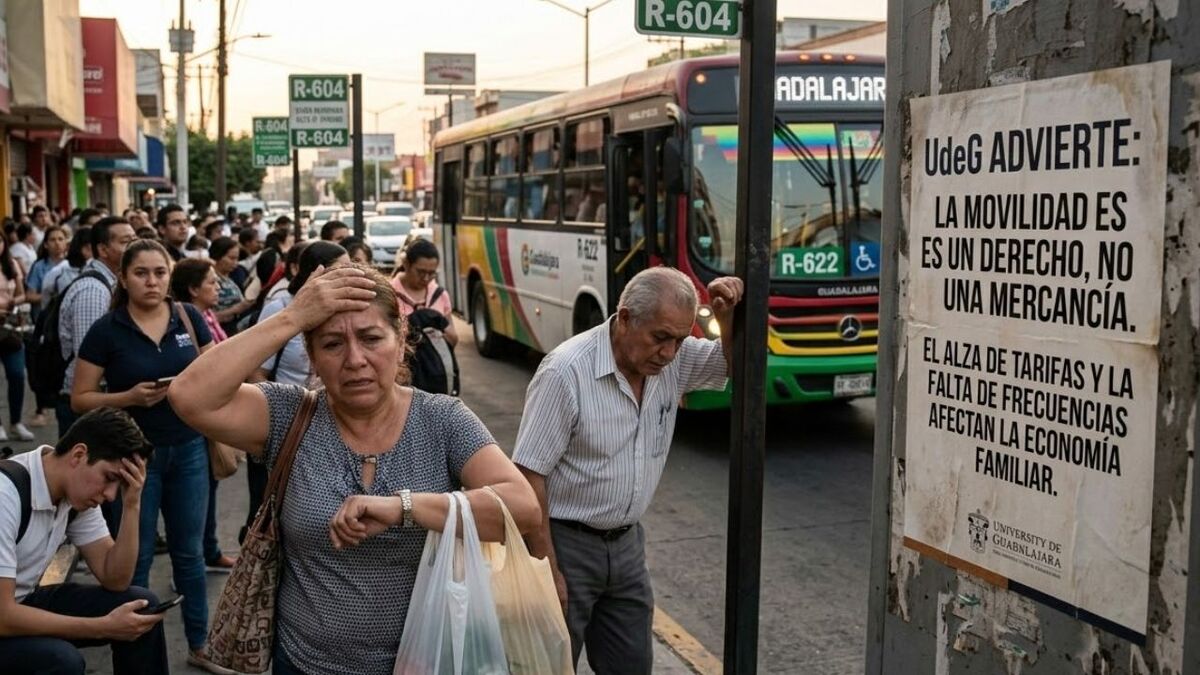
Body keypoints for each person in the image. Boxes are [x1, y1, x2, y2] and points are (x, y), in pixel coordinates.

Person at [169, 263, 541, 675]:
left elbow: (522, 508)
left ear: (400, 342)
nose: (355, 359)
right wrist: (293, 316)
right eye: (331, 344)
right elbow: (188, 396)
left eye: (371, 338)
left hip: (427, 661)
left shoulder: (443, 420)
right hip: (303, 662)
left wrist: (404, 508)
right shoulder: (289, 416)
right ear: (310, 355)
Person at [513, 267, 743, 674]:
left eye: (679, 339)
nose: (670, 353)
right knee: (548, 664)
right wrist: (546, 566)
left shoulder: (672, 362)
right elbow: (529, 475)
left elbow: (734, 367)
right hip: (566, 544)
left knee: (632, 664)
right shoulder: (565, 372)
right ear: (624, 319)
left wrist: (726, 320)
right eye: (660, 338)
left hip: (627, 547)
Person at [69, 239, 227, 674]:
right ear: (123, 277)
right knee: (133, 557)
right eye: (141, 273)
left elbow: (215, 370)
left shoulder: (187, 316)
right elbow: (81, 398)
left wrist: (193, 385)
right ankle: (135, 643)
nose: (152, 281)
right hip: (133, 460)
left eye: (160, 272)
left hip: (190, 448)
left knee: (189, 553)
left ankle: (200, 643)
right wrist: (129, 397)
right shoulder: (107, 329)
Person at [0, 407, 167, 675]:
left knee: (142, 609)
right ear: (78, 455)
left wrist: (132, 503)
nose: (111, 495)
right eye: (110, 479)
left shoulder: (76, 495)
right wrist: (104, 626)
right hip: (5, 614)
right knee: (61, 661)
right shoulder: (5, 495)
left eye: (119, 486)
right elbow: (3, 617)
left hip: (21, 603)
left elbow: (115, 578)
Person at [238, 242, 346, 545]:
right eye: (340, 270)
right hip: (289, 423)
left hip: (330, 422)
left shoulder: (344, 309)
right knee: (270, 508)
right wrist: (273, 418)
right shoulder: (281, 307)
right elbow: (257, 370)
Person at [170, 259, 238, 574]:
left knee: (209, 488)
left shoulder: (206, 314)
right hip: (191, 422)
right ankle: (193, 560)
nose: (218, 287)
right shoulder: (184, 316)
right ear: (193, 289)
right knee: (193, 501)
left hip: (214, 412)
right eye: (211, 282)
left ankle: (209, 550)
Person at [57, 218, 135, 438]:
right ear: (102, 249)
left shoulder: (111, 283)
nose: (134, 247)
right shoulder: (93, 291)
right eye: (126, 241)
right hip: (88, 406)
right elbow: (89, 356)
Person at [392, 239, 457, 347]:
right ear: (406, 264)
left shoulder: (440, 295)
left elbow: (453, 339)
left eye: (431, 273)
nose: (426, 278)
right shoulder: (389, 295)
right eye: (420, 272)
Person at [0, 235, 33, 442]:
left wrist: (14, 301)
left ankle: (16, 422)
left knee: (17, 375)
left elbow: (24, 294)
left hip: (11, 327)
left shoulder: (11, 264)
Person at [208, 237, 253, 335]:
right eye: (231, 258)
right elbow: (207, 317)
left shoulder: (229, 277)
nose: (235, 263)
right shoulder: (210, 281)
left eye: (237, 258)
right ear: (217, 256)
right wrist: (236, 309)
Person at [41, 226, 92, 312]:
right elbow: (46, 300)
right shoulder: (59, 271)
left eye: (60, 239)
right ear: (86, 248)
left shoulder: (96, 269)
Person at [25, 225, 68, 311]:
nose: (57, 243)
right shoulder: (39, 266)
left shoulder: (72, 264)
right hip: (45, 314)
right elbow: (29, 296)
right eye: (52, 240)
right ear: (46, 245)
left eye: (60, 239)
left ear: (66, 243)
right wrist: (48, 296)